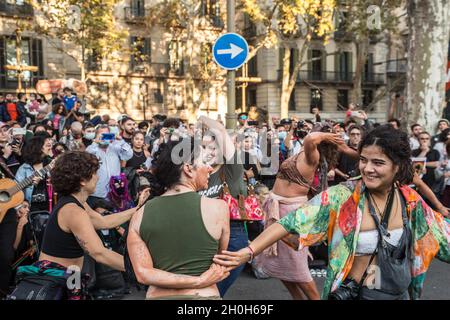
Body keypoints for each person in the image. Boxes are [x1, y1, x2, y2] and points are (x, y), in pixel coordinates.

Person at [214, 125, 450, 300]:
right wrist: (249, 251)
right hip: (355, 294)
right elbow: (290, 222)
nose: (367, 168)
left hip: (397, 293)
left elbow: (443, 237)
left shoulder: (410, 200)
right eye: (364, 160)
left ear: (397, 166)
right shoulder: (344, 196)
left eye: (378, 163)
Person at [8, 151, 150, 300]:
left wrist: (139, 208)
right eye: (95, 173)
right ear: (82, 180)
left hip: (69, 278)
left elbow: (103, 222)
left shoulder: (77, 203)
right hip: (56, 282)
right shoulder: (73, 211)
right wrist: (141, 268)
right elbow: (99, 253)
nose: (98, 177)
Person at [127, 137, 230, 300]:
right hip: (204, 295)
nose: (210, 168)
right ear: (188, 169)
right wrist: (199, 281)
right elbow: (219, 260)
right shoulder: (218, 208)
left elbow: (143, 274)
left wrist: (196, 281)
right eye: (205, 161)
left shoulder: (140, 214)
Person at [196, 116, 247, 297]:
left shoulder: (232, 169)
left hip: (232, 236)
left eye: (213, 148)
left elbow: (219, 129)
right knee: (201, 291)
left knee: (214, 291)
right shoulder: (198, 176)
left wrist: (201, 118)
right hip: (202, 237)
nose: (208, 152)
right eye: (203, 147)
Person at [86, 124, 133, 201]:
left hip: (115, 191)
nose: (104, 137)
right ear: (96, 135)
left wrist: (121, 140)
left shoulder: (115, 147)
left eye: (107, 135)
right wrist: (95, 142)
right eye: (102, 134)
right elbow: (87, 157)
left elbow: (128, 155)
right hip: (97, 193)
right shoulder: (92, 148)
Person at [15, 135, 54, 213]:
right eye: (47, 145)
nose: (49, 148)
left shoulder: (51, 164)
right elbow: (15, 189)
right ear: (38, 148)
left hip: (50, 207)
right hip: (31, 209)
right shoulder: (24, 168)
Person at [124, 131, 152, 202]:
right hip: (130, 185)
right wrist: (134, 172)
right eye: (137, 139)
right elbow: (122, 170)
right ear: (132, 140)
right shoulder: (127, 153)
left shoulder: (147, 153)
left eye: (141, 139)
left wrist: (146, 171)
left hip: (144, 185)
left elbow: (151, 169)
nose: (139, 141)